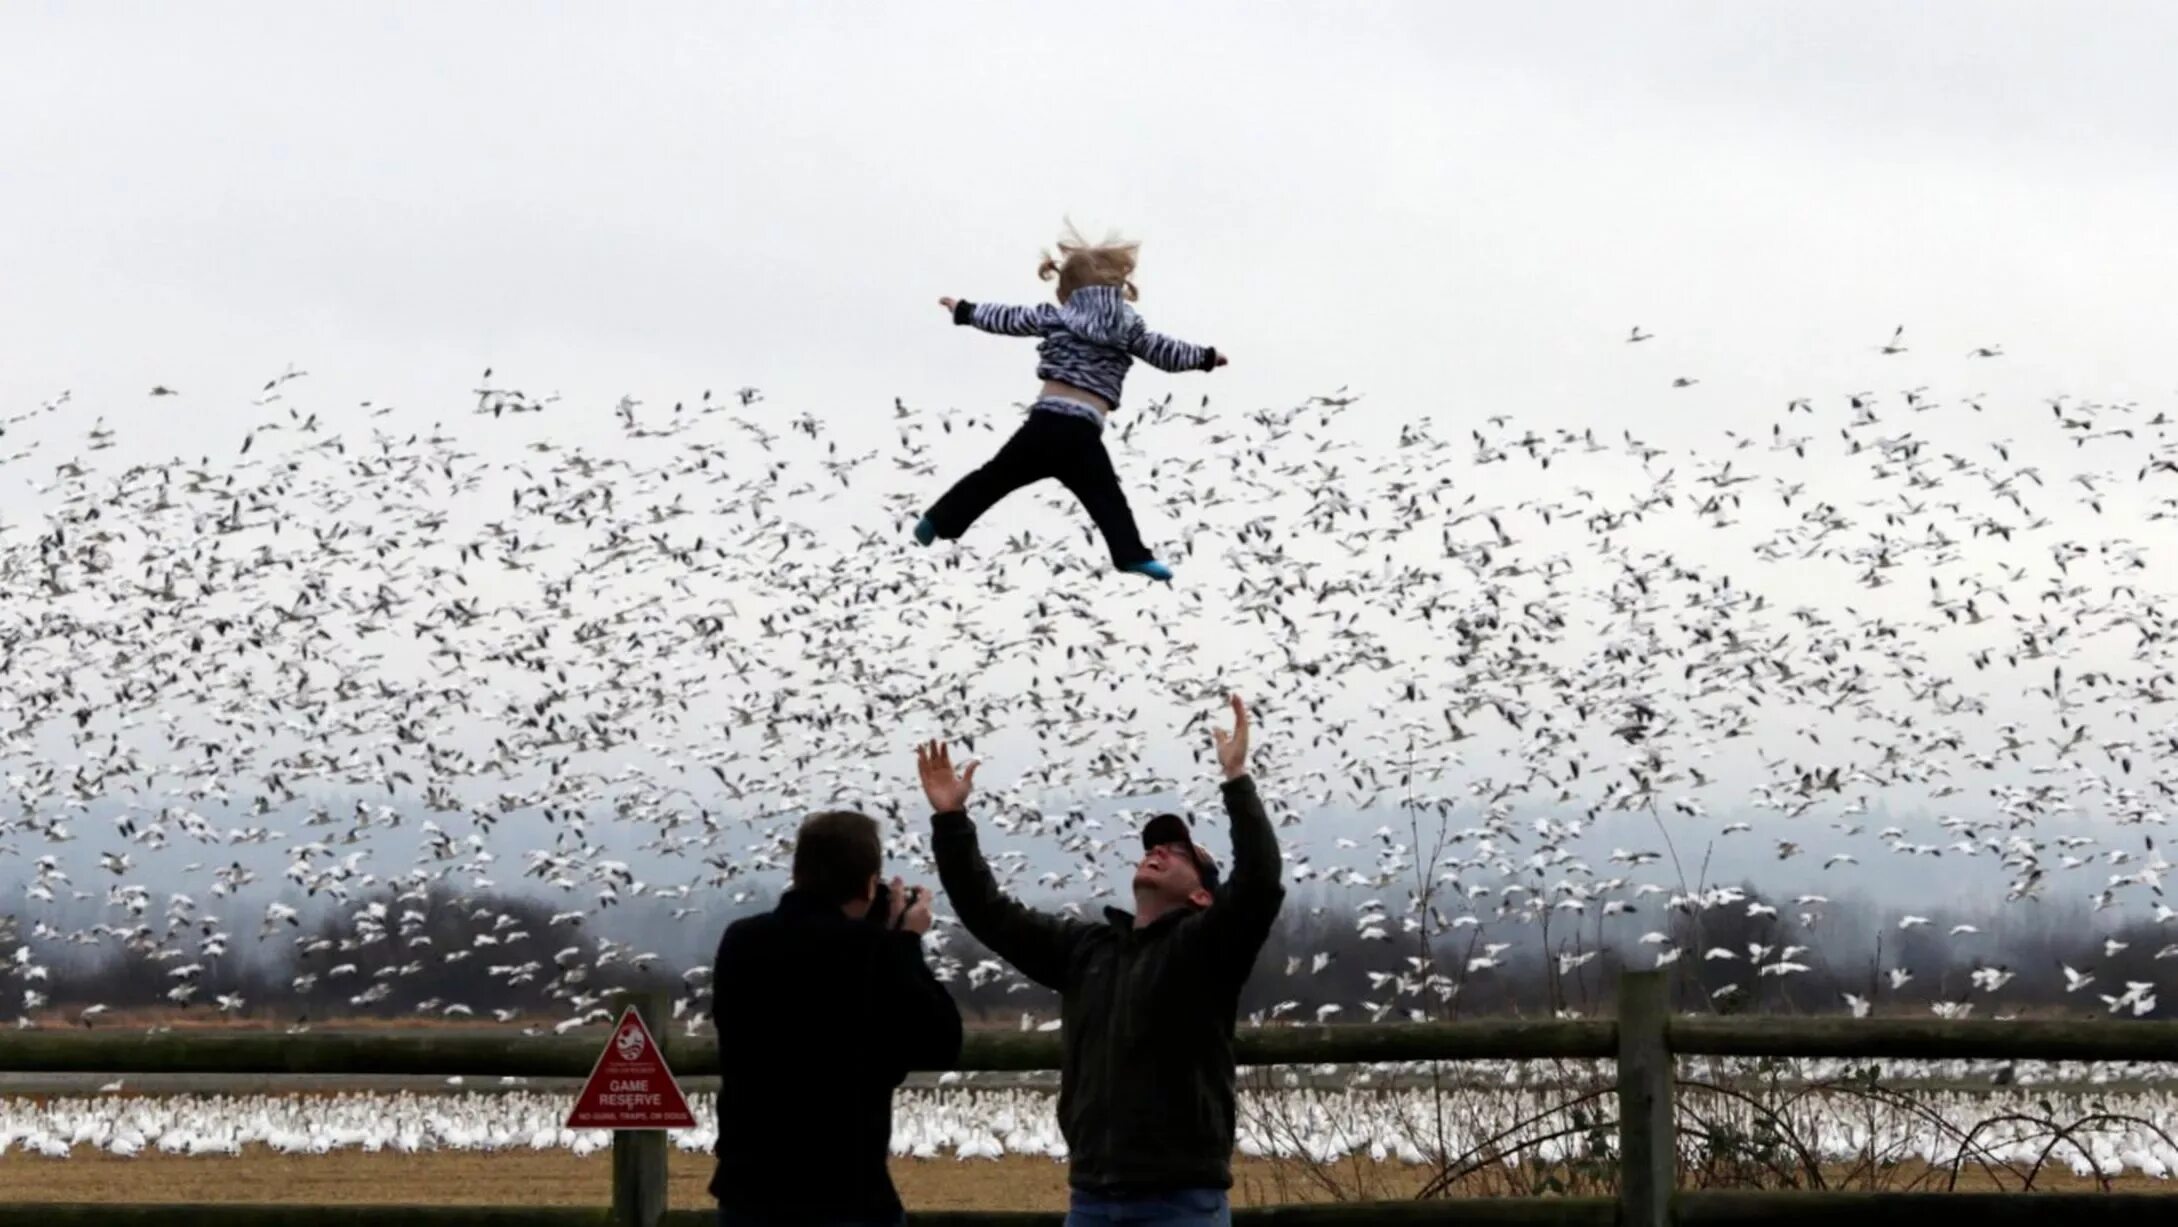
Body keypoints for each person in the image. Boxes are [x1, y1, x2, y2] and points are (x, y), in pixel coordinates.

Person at [916, 694, 1283, 1227]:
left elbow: (1259, 885)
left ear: (1203, 896)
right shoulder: (1087, 951)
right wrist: (951, 820)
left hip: (1180, 1203)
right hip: (1090, 1199)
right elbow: (989, 913)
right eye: (1155, 846)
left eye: (1182, 854)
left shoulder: (1206, 950)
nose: (1159, 851)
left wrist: (1236, 782)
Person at [913, 222, 1230, 584]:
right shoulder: (1128, 327)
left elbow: (1008, 319)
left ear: (1068, 292)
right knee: (1107, 499)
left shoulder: (1057, 316)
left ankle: (937, 520)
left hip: (1045, 423)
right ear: (1116, 289)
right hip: (1082, 433)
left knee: (994, 477)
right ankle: (1131, 555)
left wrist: (965, 311)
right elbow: (1164, 352)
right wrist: (1205, 357)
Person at [709, 809, 963, 1227]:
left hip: (749, 1191)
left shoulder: (741, 940)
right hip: (846, 1194)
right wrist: (907, 943)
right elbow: (941, 1042)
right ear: (869, 883)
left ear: (798, 872)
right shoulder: (873, 950)